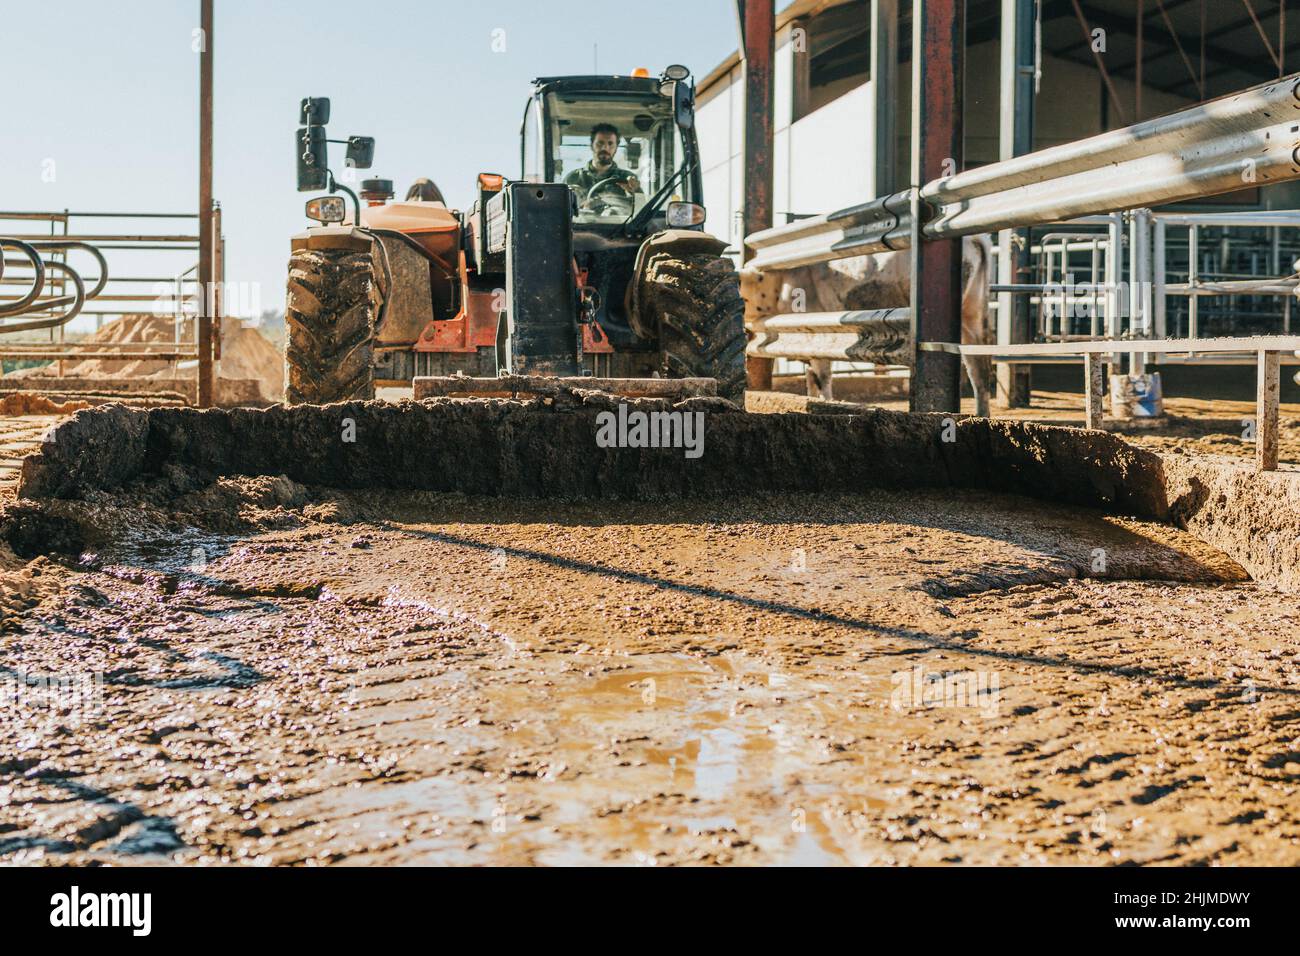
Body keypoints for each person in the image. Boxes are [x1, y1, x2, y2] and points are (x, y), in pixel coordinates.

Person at [564, 124, 641, 211]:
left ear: (616, 148)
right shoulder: (573, 178)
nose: (605, 148)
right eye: (600, 143)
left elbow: (642, 211)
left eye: (610, 143)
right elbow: (562, 211)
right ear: (592, 145)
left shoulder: (627, 180)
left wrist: (634, 191)